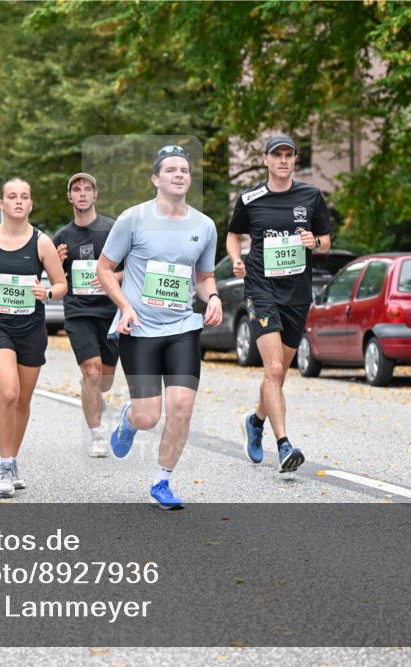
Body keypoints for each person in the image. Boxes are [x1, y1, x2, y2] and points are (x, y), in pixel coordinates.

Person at [96, 145, 222, 509]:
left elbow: (204, 276)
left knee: (181, 406)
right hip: (139, 328)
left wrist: (213, 297)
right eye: (171, 170)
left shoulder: (204, 226)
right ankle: (129, 419)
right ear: (155, 179)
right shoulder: (133, 219)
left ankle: (162, 481)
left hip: (182, 327)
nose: (179, 174)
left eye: (184, 169)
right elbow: (104, 269)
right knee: (148, 416)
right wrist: (124, 306)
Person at [226, 133, 332, 473]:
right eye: (277, 155)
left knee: (280, 373)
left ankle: (255, 421)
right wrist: (236, 259)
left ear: (295, 159)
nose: (283, 160)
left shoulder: (311, 196)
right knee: (272, 369)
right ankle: (284, 445)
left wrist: (314, 242)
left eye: (289, 155)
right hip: (261, 289)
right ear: (266, 160)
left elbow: (326, 241)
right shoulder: (251, 198)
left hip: (297, 294)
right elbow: (233, 235)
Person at [0, 177, 67, 498]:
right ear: (2, 203)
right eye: (12, 196)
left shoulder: (42, 242)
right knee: (8, 392)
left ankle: (12, 460)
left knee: (23, 399)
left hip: (30, 328)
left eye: (24, 196)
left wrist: (47, 292)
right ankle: (4, 464)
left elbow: (61, 285)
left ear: (31, 204)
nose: (18, 201)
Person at [52, 173, 123, 457]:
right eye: (76, 189)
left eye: (87, 189)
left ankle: (92, 390)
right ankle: (97, 435)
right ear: (70, 197)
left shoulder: (112, 229)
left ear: (96, 195)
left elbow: (132, 268)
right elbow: (54, 280)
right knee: (91, 369)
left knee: (104, 379)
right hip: (78, 312)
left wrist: (111, 277)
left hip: (110, 311)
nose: (82, 193)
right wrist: (55, 264)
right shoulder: (61, 237)